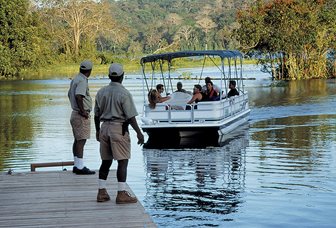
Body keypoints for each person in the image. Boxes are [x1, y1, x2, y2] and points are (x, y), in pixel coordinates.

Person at [94, 63, 145, 204]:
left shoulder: (101, 92)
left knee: (105, 161)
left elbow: (96, 115)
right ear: (122, 76)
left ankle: (101, 192)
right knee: (122, 161)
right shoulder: (124, 93)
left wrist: (97, 131)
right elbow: (130, 117)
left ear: (109, 76)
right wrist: (139, 133)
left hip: (104, 128)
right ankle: (121, 194)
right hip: (119, 128)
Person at [68, 60, 95, 175]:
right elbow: (79, 96)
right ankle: (79, 167)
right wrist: (83, 111)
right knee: (81, 140)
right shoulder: (82, 80)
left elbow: (70, 95)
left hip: (75, 113)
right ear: (89, 71)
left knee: (77, 140)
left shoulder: (75, 79)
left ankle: (76, 164)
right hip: (80, 115)